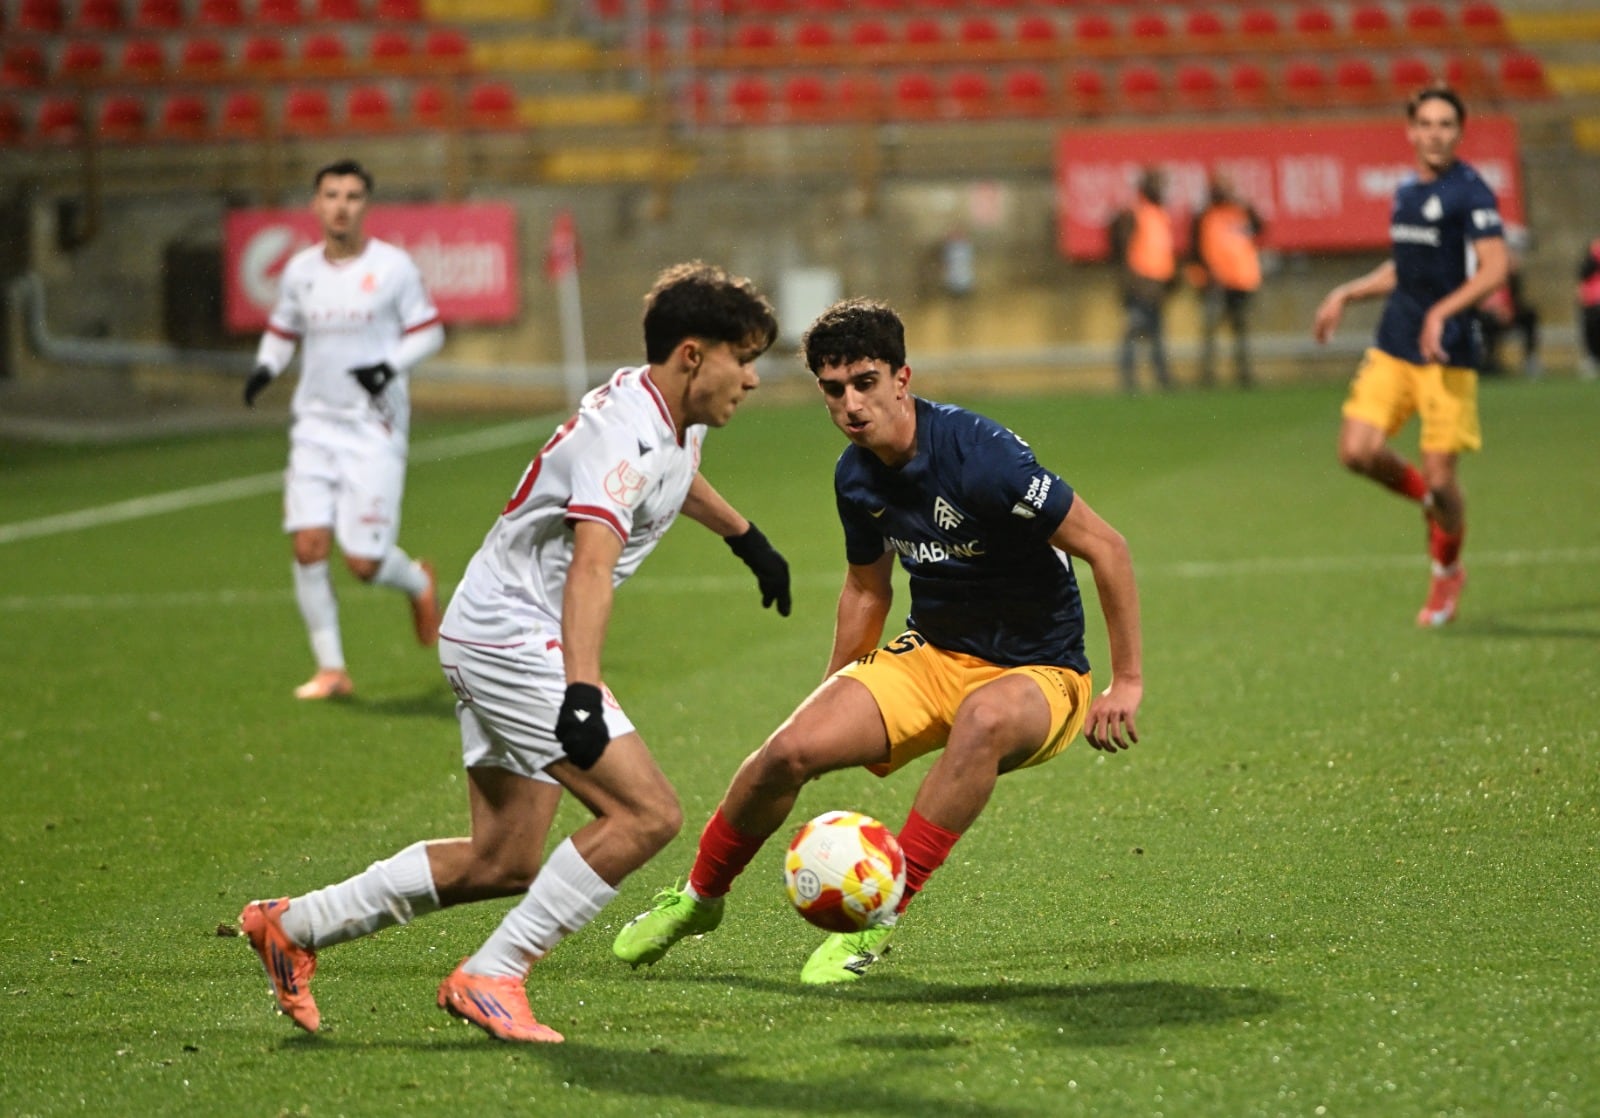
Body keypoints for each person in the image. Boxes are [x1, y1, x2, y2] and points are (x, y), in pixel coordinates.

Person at [238, 261, 792, 1043]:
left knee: (503, 859)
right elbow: (592, 564)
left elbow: (670, 473)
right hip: (514, 637)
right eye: (745, 358)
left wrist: (746, 537)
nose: (755, 378)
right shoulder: (621, 435)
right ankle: (493, 974)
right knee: (646, 815)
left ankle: (293, 925)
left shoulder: (669, 411)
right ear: (693, 355)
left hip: (494, 626)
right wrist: (582, 691)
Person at [612, 297, 1144, 985]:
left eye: (865, 383)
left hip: (1042, 672)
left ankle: (878, 918)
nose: (851, 405)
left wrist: (1126, 682)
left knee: (983, 719)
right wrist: (837, 688)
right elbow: (868, 589)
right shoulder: (855, 476)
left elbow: (1108, 547)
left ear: (902, 378)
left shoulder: (983, 458)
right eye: (833, 390)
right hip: (933, 655)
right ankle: (697, 899)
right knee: (787, 751)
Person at [243, 159, 446, 700]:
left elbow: (429, 331)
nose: (341, 206)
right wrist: (266, 366)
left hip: (373, 428)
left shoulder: (393, 267)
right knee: (309, 545)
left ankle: (418, 581)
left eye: (352, 196)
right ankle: (331, 669)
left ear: (365, 206)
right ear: (316, 204)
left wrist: (388, 367)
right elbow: (283, 330)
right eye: (331, 195)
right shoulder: (300, 271)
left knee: (363, 562)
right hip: (315, 425)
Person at [1312, 86, 1508, 628]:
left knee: (1445, 480)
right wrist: (1347, 292)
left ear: (1459, 132)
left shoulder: (1471, 192)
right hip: (1397, 342)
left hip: (1447, 352)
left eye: (1446, 124)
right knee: (1357, 451)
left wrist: (1442, 311)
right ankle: (1429, 506)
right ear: (1411, 131)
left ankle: (1447, 571)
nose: (1435, 134)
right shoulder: (1404, 191)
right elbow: (1405, 268)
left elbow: (1495, 267)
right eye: (1426, 124)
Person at [1190, 172, 1264, 388]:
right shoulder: (1205, 214)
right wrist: (1204, 275)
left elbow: (1260, 227)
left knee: (1241, 329)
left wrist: (1243, 203)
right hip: (1216, 282)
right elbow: (1196, 248)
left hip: (1241, 281)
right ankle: (1207, 375)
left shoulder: (1240, 212)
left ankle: (1244, 373)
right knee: (1211, 329)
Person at [1108, 166, 1175, 393]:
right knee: (1134, 332)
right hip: (1140, 285)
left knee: (1156, 334)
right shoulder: (1135, 214)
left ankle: (1162, 377)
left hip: (1157, 285)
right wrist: (1131, 282)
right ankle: (1129, 379)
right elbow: (1124, 251)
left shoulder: (1159, 214)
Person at [1475, 225, 1540, 377]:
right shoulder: (1482, 269)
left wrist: (1509, 310)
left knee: (1530, 315)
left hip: (1507, 313)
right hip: (1487, 314)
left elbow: (1516, 298)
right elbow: (1478, 297)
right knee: (1487, 321)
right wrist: (1494, 310)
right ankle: (1489, 361)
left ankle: (1530, 360)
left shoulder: (1512, 276)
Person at [1576, 236, 1600, 374]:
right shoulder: (1589, 266)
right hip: (1591, 305)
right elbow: (1582, 277)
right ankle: (1593, 357)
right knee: (1590, 328)